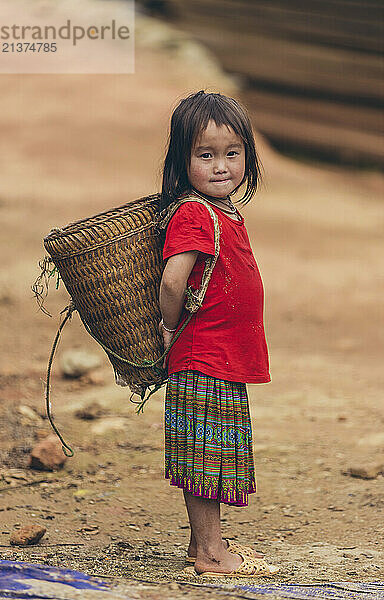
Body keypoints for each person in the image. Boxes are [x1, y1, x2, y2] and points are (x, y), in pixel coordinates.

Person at [157, 90, 278, 578]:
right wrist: (168, 327)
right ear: (182, 160)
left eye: (232, 153)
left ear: (247, 155)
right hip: (202, 355)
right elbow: (172, 278)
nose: (221, 166)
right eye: (205, 155)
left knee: (210, 455)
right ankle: (210, 553)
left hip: (221, 357)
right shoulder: (194, 213)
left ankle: (203, 546)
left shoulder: (226, 212)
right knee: (205, 460)